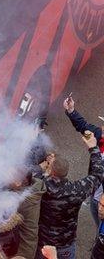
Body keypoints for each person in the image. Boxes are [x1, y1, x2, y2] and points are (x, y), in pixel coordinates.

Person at [34, 130, 104, 259]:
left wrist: (45, 168)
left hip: (44, 243)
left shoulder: (40, 186)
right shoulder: (77, 190)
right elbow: (98, 174)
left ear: (52, 171)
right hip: (65, 244)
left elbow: (25, 174)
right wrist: (93, 148)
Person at [63, 94, 104, 227]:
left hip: (102, 200)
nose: (101, 128)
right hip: (96, 196)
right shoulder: (99, 135)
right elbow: (83, 126)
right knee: (97, 218)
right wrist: (71, 111)